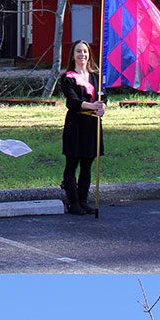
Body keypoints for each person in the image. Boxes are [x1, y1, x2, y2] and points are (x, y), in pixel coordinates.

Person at [60, 40, 105, 215]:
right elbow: (72, 102)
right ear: (73, 55)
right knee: (72, 164)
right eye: (79, 51)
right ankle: (73, 202)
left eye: (85, 51)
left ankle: (84, 200)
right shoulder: (68, 78)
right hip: (76, 124)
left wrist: (102, 107)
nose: (82, 55)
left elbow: (103, 98)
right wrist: (92, 106)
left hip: (92, 125)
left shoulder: (96, 76)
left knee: (87, 164)